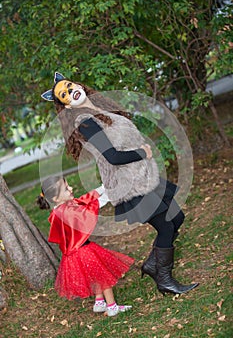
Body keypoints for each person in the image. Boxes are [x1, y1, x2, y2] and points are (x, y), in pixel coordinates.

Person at [41, 72, 199, 295]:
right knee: (165, 227)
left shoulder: (98, 109)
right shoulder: (85, 122)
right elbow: (113, 157)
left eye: (69, 85)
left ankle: (153, 265)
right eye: (64, 94)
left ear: (78, 84)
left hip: (142, 175)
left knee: (177, 217)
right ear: (66, 106)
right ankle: (165, 280)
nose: (70, 91)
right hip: (128, 184)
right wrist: (142, 152)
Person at [37, 175, 134, 317]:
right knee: (102, 276)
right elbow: (86, 211)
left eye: (68, 185)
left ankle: (99, 302)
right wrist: (106, 196)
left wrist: (101, 189)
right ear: (56, 199)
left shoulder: (60, 209)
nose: (70, 189)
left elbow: (83, 200)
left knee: (95, 275)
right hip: (82, 250)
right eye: (66, 189)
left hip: (73, 253)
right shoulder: (67, 212)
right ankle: (112, 306)